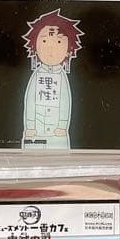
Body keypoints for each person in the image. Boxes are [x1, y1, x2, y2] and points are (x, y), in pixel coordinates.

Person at [21, 9, 83, 150]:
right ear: (34, 46)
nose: (50, 48)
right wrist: (30, 126)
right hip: (36, 131)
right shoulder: (36, 74)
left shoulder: (62, 76)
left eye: (59, 41)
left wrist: (62, 125)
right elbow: (30, 102)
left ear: (69, 50)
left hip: (57, 133)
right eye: (44, 41)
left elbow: (65, 101)